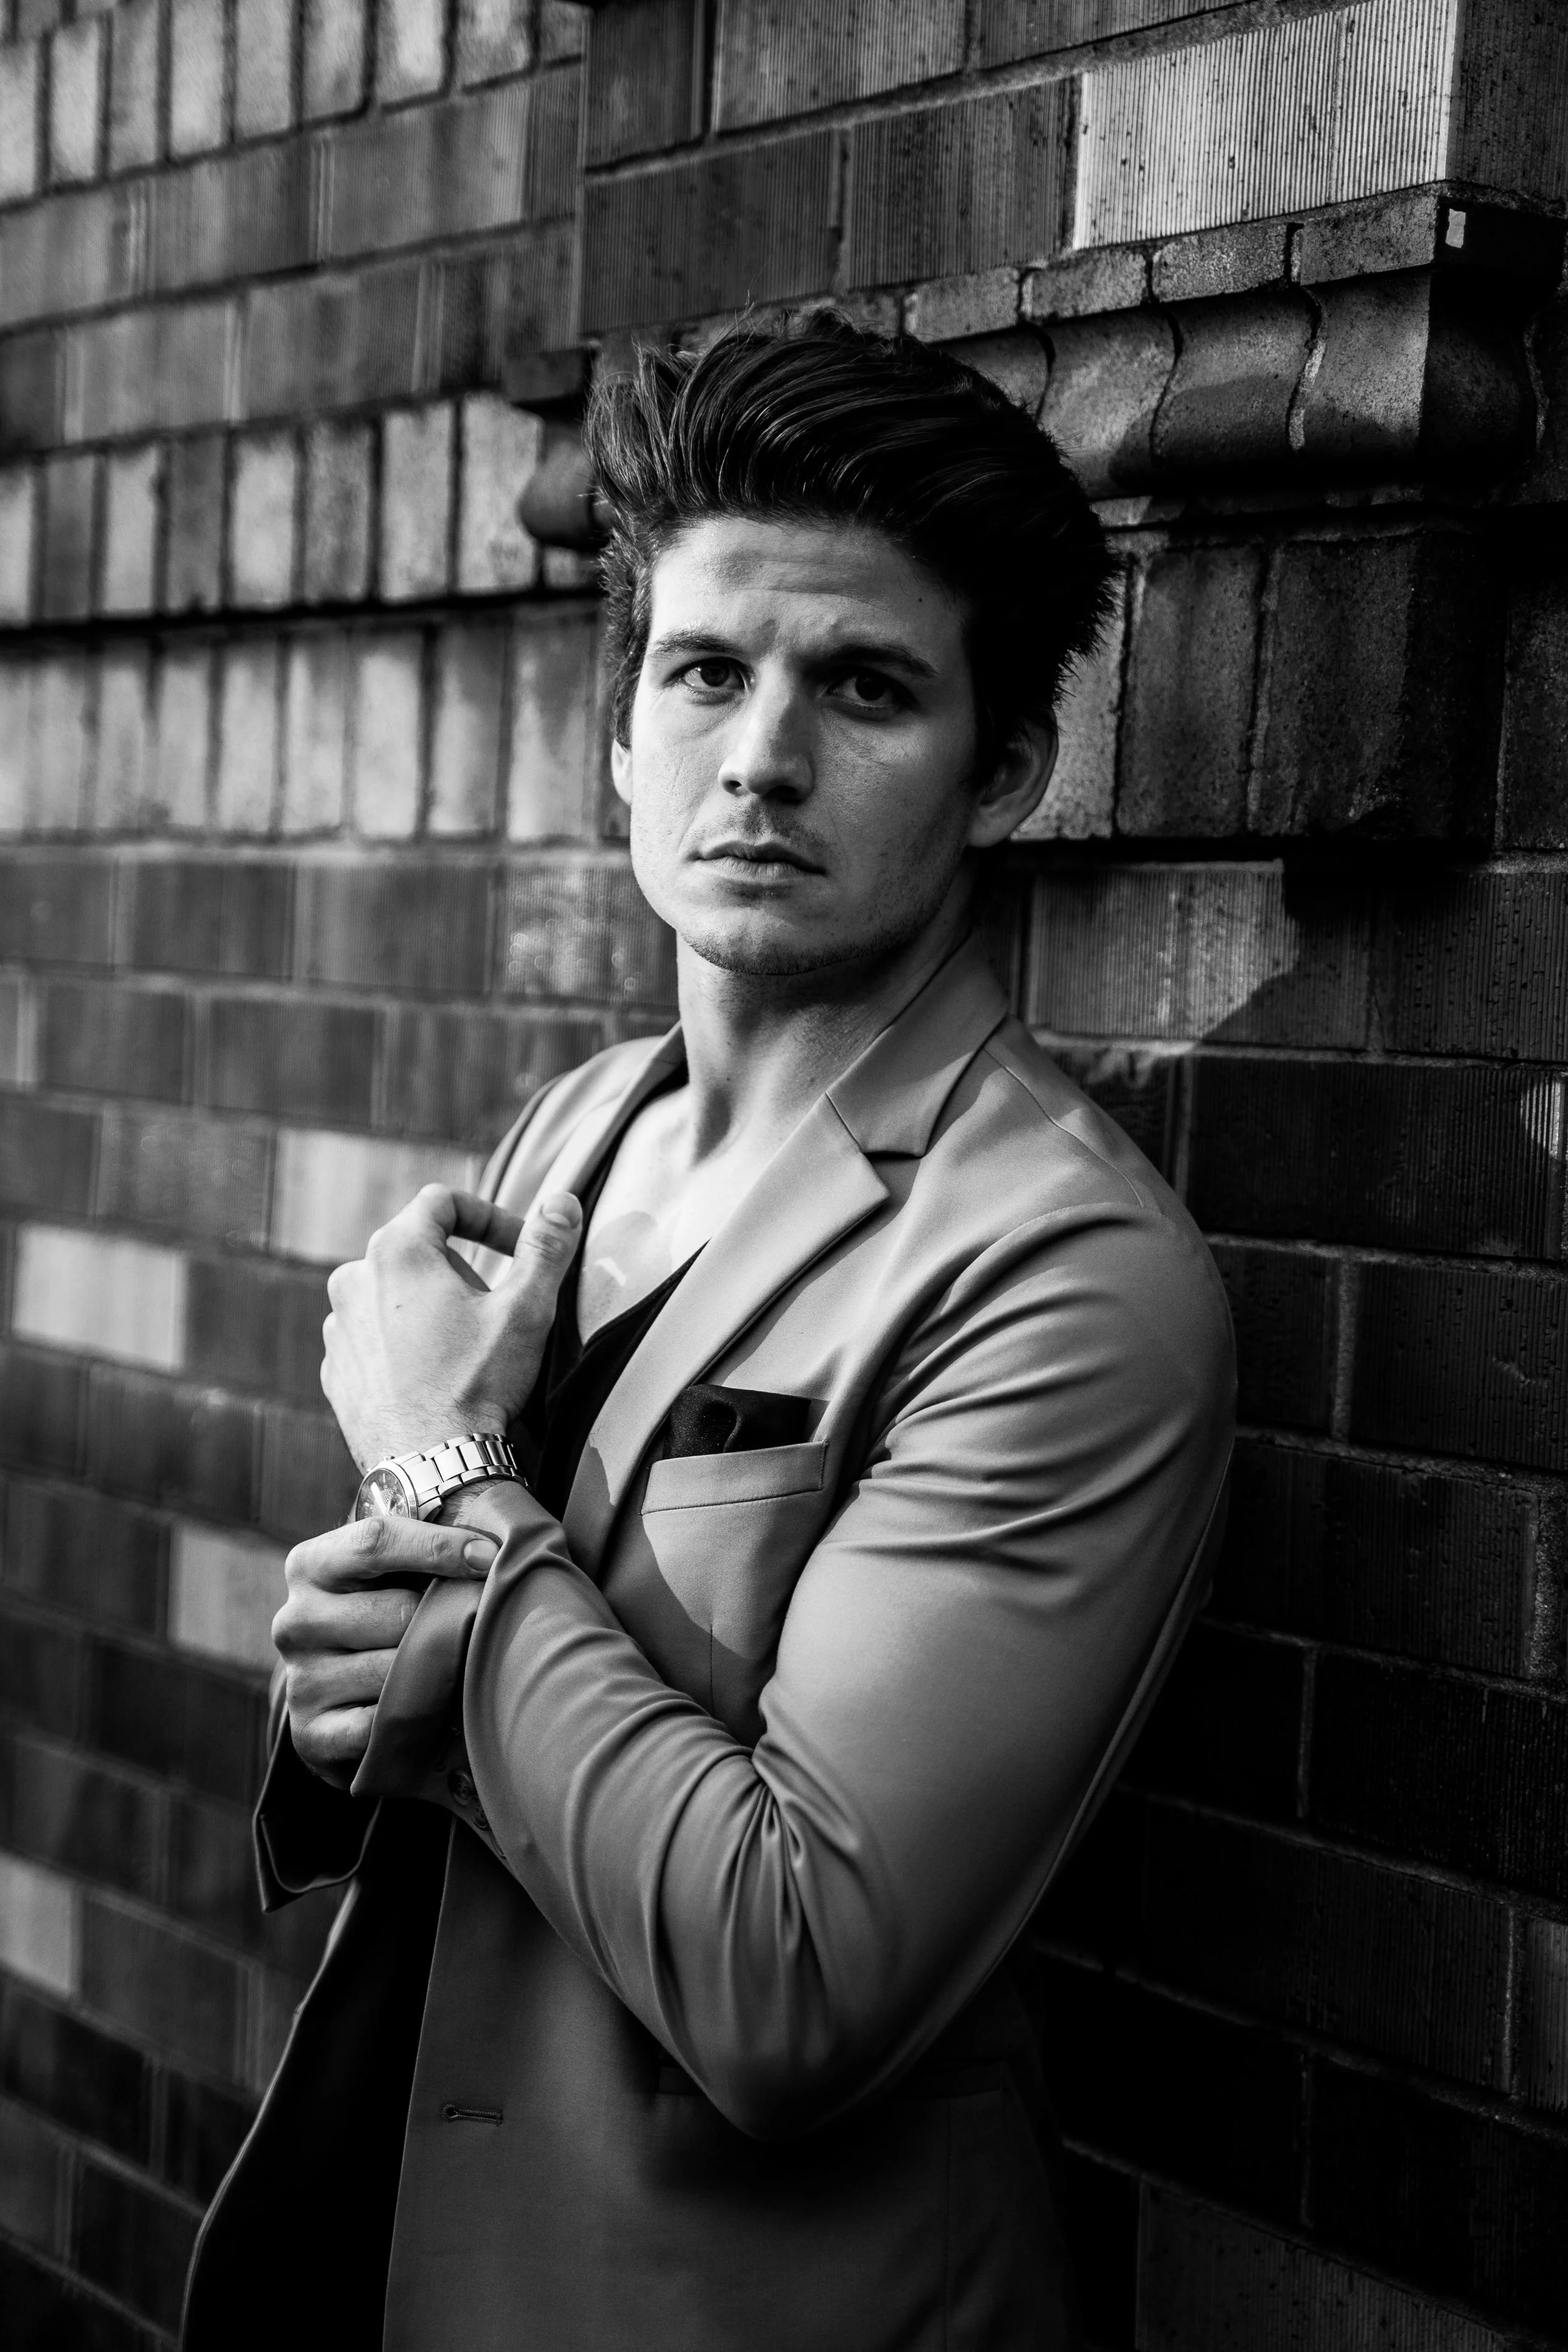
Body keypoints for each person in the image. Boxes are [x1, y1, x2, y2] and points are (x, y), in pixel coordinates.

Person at [183, 314, 1234, 2352]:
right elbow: (466, 1678)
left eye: (861, 687)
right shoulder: (580, 1124)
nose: (760, 751)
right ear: (621, 733)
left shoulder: (1063, 1273)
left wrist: (440, 1474)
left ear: (1000, 766)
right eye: (703, 671)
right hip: (403, 2249)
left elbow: (791, 1977)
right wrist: (348, 1698)